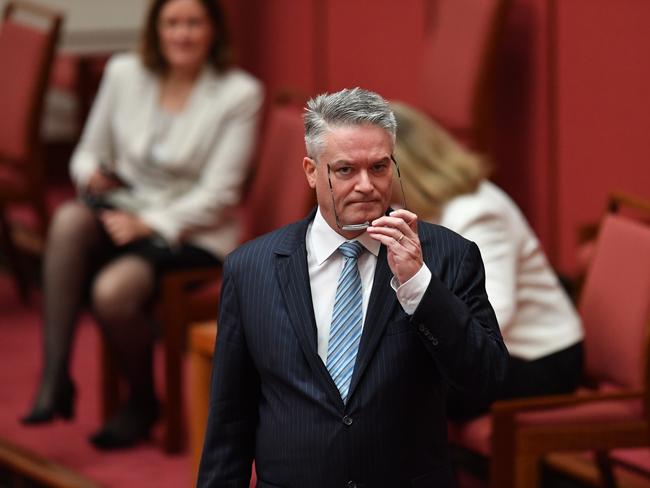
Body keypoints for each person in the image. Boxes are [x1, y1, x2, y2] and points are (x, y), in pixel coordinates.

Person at [197, 88, 507, 487]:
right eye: (345, 170)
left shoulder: (448, 255)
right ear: (311, 171)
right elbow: (230, 417)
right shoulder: (251, 269)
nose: (366, 186)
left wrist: (418, 285)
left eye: (379, 168)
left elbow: (486, 379)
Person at [21, 0, 263, 450]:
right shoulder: (124, 73)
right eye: (172, 23)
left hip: (192, 230)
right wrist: (90, 174)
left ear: (213, 31)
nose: (182, 34)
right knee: (71, 219)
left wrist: (148, 224)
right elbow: (88, 150)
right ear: (155, 29)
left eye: (193, 23)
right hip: (123, 209)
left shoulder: (238, 93)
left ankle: (142, 399)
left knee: (113, 293)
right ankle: (55, 374)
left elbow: (221, 196)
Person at [389, 101, 584, 420]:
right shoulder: (410, 209)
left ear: (406, 166)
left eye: (377, 167)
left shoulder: (476, 212)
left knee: (393, 389)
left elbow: (492, 314)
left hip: (538, 360)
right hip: (475, 352)